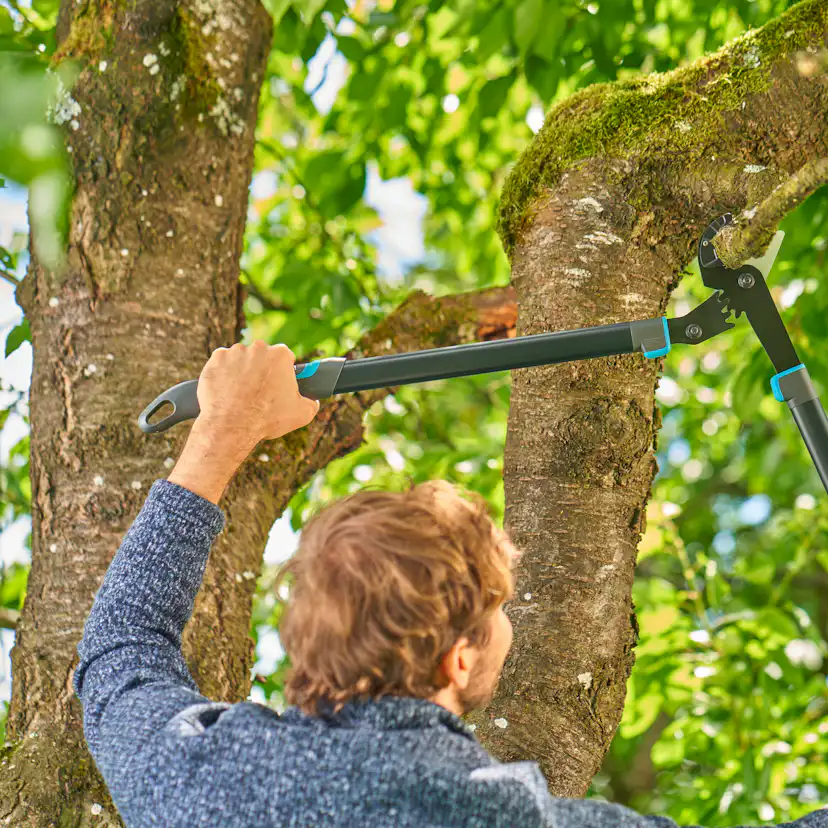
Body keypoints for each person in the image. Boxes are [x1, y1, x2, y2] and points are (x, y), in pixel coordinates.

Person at [74, 342, 827, 828]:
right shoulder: (500, 814)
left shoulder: (198, 775)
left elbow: (120, 648)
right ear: (457, 660)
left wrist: (222, 431)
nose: (509, 623)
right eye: (497, 611)